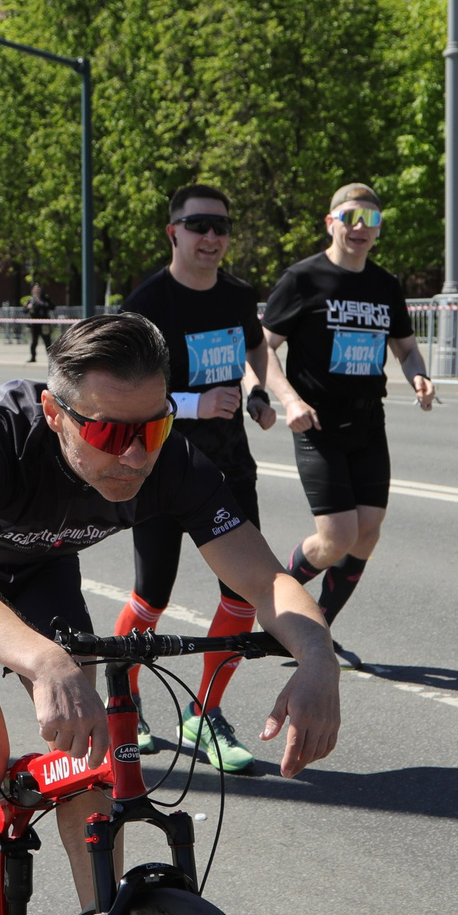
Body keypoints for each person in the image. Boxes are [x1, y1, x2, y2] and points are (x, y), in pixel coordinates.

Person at [0, 314, 343, 915]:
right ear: (56, 413)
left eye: (153, 428)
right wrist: (40, 658)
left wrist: (317, 656)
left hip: (42, 570)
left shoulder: (168, 459)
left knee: (90, 758)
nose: (135, 454)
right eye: (107, 432)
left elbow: (264, 578)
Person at [114, 187, 281, 772]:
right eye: (199, 225)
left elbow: (256, 350)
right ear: (174, 232)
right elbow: (120, 391)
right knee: (151, 596)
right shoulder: (146, 304)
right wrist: (192, 403)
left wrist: (258, 394)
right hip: (162, 469)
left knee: (243, 594)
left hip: (230, 466)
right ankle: (124, 696)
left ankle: (205, 712)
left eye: (221, 227)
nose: (211, 237)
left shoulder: (237, 294)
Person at [260, 182, 436, 633]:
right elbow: (262, 347)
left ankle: (319, 626)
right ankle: (268, 597)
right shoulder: (302, 279)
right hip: (317, 423)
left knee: (367, 533)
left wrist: (419, 375)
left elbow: (406, 349)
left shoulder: (385, 284)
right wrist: (289, 400)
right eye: (350, 218)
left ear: (379, 229)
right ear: (330, 223)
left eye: (370, 219)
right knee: (337, 537)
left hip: (368, 422)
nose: (360, 228)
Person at [24, 280, 54, 361]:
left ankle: (51, 358)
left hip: (44, 324)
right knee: (34, 342)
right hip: (34, 325)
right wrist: (29, 307)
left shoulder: (45, 299)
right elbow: (24, 310)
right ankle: (33, 357)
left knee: (47, 341)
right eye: (35, 289)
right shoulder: (31, 300)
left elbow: (52, 306)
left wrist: (44, 304)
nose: (37, 290)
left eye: (38, 289)